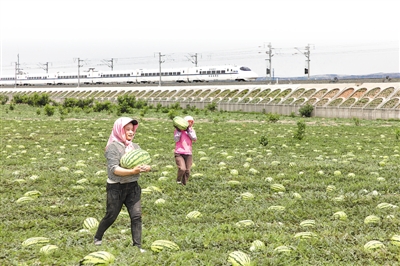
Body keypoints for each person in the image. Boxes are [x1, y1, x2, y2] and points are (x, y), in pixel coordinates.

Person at [94, 117, 151, 253]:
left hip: (133, 187)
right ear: (120, 130)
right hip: (116, 187)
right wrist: (132, 171)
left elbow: (143, 161)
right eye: (128, 130)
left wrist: (146, 167)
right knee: (111, 216)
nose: (131, 132)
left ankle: (137, 247)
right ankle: (98, 237)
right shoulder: (112, 147)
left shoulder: (135, 147)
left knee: (136, 216)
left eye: (133, 130)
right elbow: (114, 169)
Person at [174, 115, 197, 186]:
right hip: (179, 153)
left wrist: (188, 131)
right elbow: (176, 139)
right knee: (182, 168)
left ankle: (184, 184)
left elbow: (194, 138)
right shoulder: (177, 131)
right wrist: (179, 131)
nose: (190, 123)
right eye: (188, 122)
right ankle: (178, 180)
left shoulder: (191, 130)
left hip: (188, 153)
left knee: (187, 171)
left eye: (191, 122)